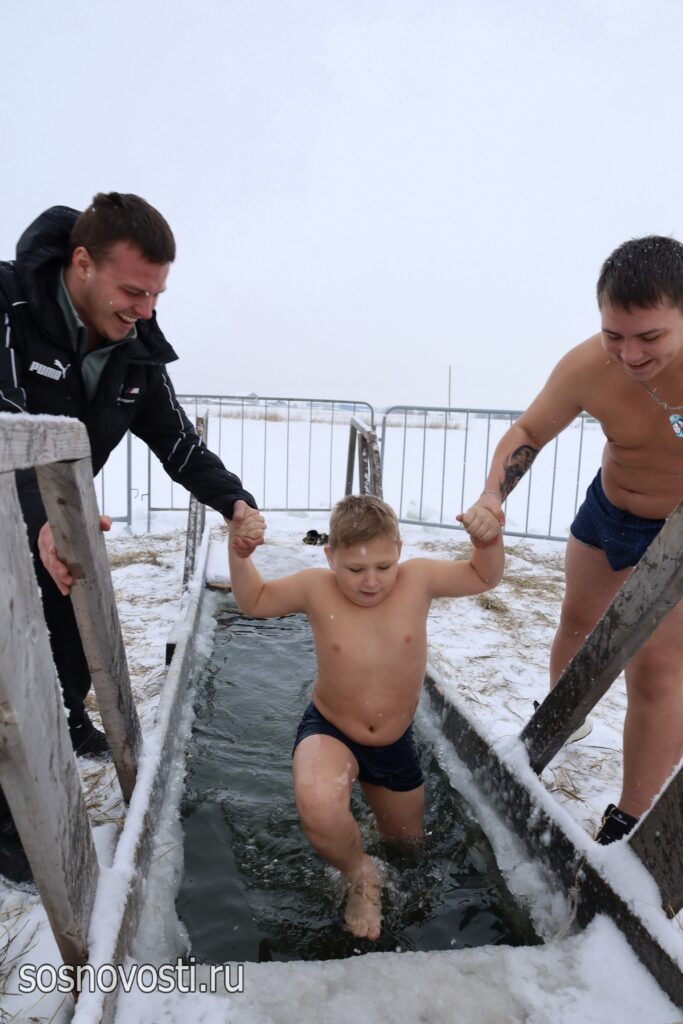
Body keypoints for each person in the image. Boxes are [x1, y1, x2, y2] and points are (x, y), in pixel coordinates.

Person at [0, 192, 264, 881]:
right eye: (131, 290)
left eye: (156, 294)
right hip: (15, 510)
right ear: (82, 263)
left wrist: (233, 501)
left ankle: (67, 716)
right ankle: (9, 825)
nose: (145, 309)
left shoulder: (134, 350)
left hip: (60, 525)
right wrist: (41, 522)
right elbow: (8, 430)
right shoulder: (8, 307)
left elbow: (175, 441)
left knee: (74, 634)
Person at [463, 234, 683, 845]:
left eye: (650, 337)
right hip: (608, 510)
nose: (630, 354)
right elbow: (530, 428)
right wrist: (492, 495)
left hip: (677, 534)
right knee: (578, 621)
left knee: (658, 670)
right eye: (616, 335)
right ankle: (564, 719)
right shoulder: (590, 364)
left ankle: (632, 820)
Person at [227, 494, 504, 940]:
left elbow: (482, 576)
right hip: (331, 728)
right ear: (330, 556)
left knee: (409, 850)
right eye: (355, 569)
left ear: (399, 550)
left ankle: (375, 848)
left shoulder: (420, 579)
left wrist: (486, 540)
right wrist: (240, 555)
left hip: (394, 742)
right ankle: (361, 875)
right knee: (318, 803)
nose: (371, 581)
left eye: (382, 566)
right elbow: (255, 601)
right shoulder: (316, 587)